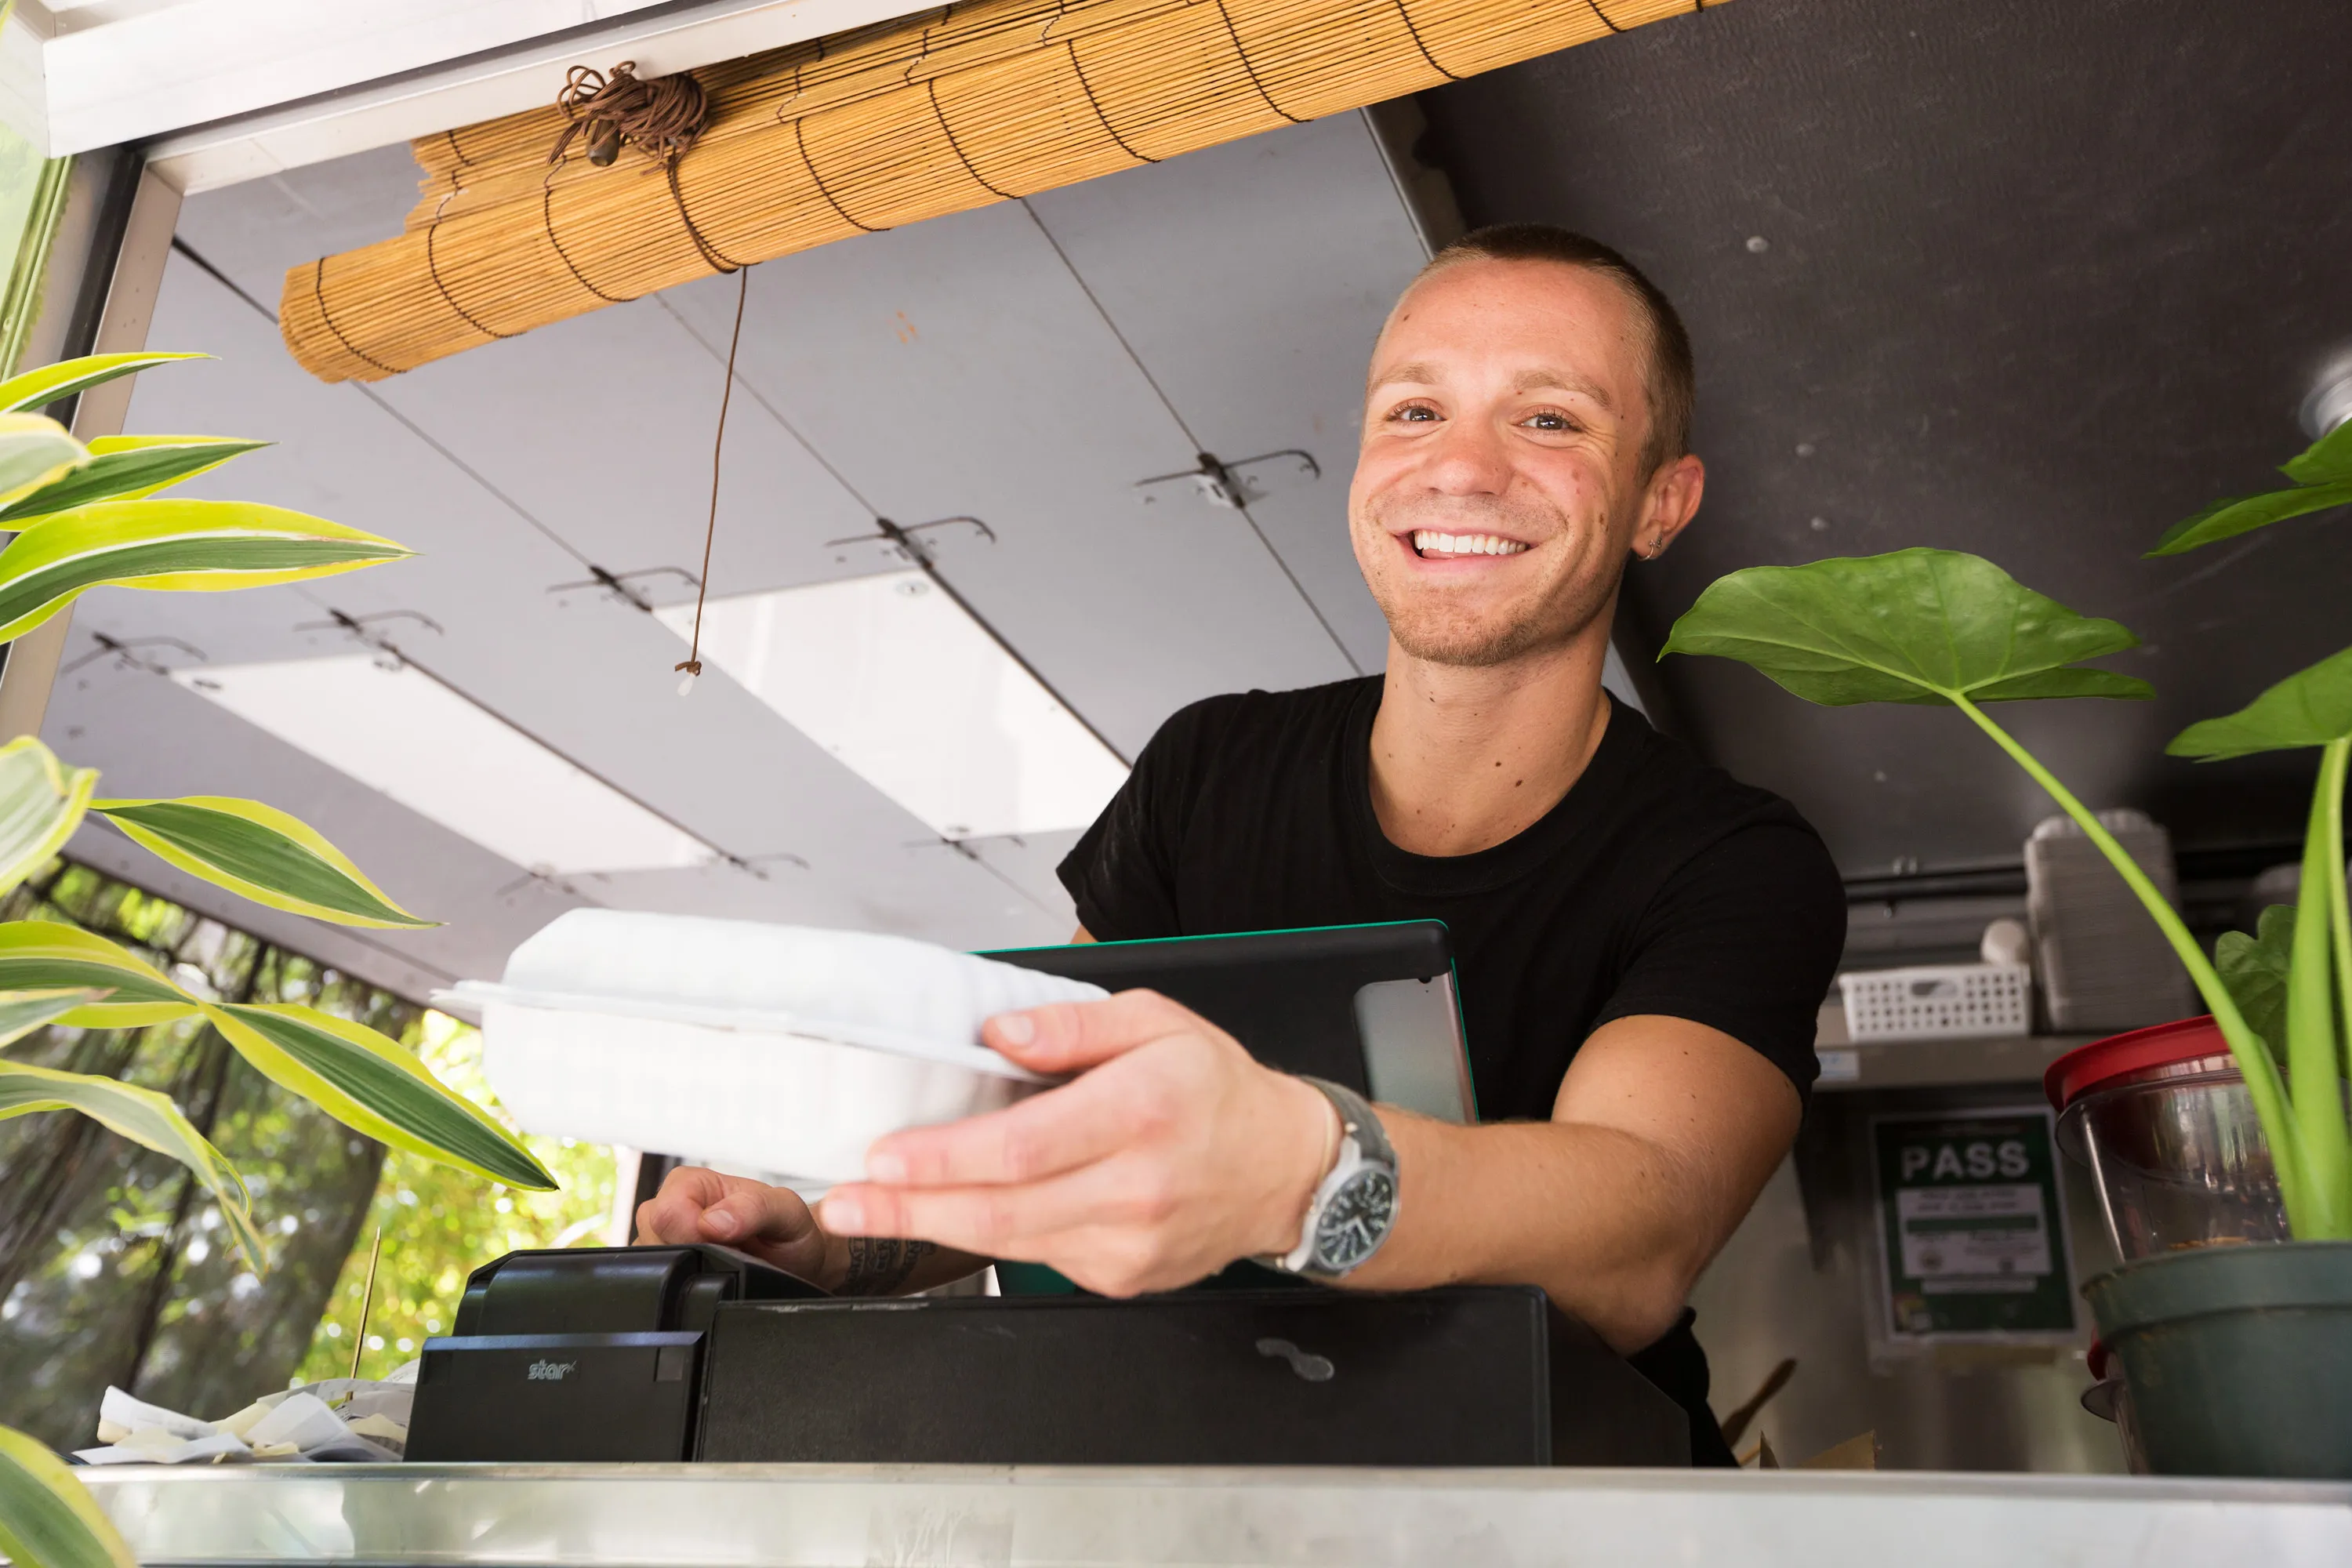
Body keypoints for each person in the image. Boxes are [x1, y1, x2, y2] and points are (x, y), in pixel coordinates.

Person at [636, 223, 1847, 1463]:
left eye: (1549, 420)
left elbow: (1637, 1239)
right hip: (1199, 1480)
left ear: (1660, 503)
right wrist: (838, 1244)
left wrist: (1302, 1174)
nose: (1461, 467)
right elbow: (1060, 1132)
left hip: (1560, 1500)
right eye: (1416, 411)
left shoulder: (1734, 860)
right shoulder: (1208, 771)